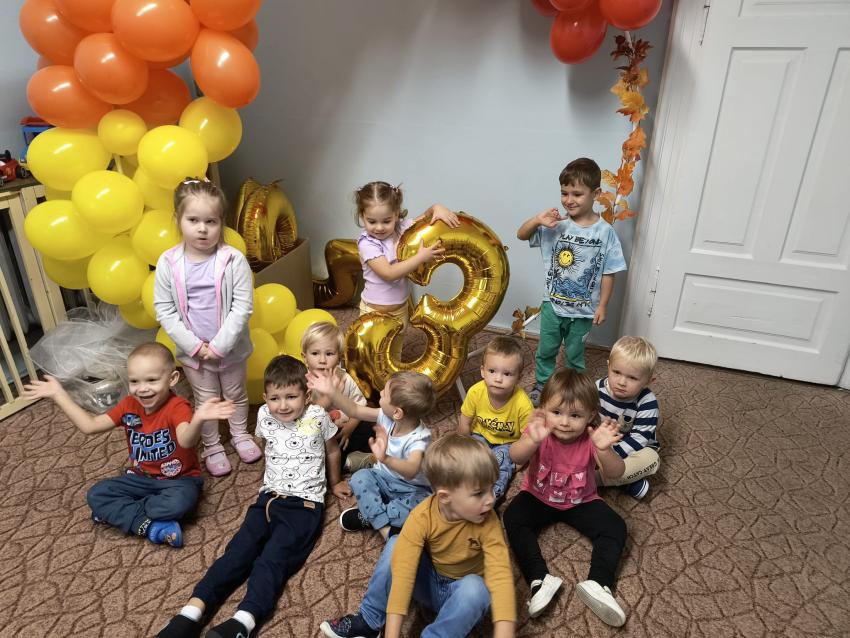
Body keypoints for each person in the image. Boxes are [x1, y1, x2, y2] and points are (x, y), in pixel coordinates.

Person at [155, 355, 350, 638]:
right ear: (265, 398)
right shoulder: (264, 416)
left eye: (291, 397)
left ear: (307, 396)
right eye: (275, 398)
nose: (283, 405)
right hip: (266, 500)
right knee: (236, 553)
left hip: (304, 506)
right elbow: (268, 445)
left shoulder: (318, 416)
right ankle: (190, 614)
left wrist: (336, 482)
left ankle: (243, 622)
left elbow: (332, 450)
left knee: (273, 559)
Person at [22, 342, 234, 548]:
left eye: (152, 380)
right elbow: (90, 426)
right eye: (134, 381)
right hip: (140, 478)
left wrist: (199, 418)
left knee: (178, 503)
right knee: (97, 494)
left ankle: (124, 513)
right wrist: (59, 394)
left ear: (172, 379)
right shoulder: (128, 405)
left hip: (178, 481)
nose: (142, 389)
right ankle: (152, 526)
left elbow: (186, 441)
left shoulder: (178, 406)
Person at [319, 434, 516, 638]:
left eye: (492, 488)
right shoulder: (422, 516)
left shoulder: (488, 521)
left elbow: (501, 576)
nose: (491, 499)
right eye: (479, 493)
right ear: (445, 497)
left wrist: (505, 631)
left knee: (476, 588)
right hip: (428, 584)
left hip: (462, 597)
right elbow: (403, 574)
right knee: (396, 544)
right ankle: (369, 621)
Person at [503, 368, 629, 627]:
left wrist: (604, 450)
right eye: (556, 412)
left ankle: (599, 583)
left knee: (616, 526)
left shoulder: (593, 438)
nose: (564, 422)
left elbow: (616, 473)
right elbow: (515, 457)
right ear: (543, 410)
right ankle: (540, 580)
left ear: (590, 415)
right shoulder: (540, 431)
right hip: (537, 496)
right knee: (512, 516)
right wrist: (532, 441)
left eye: (575, 415)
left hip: (581, 501)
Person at [154, 178, 257, 478]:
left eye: (211, 221)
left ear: (221, 222)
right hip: (194, 353)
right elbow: (165, 310)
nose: (202, 229)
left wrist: (220, 346)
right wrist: (195, 347)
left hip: (231, 348)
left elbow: (242, 306)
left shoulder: (233, 260)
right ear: (178, 219)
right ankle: (212, 445)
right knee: (206, 399)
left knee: (235, 393)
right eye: (193, 220)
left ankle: (240, 434)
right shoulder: (168, 262)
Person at [516, 158, 627, 406]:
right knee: (546, 349)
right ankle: (542, 384)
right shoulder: (555, 225)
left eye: (577, 194)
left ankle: (573, 388)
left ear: (596, 194)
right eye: (564, 193)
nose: (569, 199)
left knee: (575, 354)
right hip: (552, 305)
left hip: (584, 310)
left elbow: (609, 272)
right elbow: (521, 234)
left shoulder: (605, 232)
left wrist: (602, 305)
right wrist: (537, 220)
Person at [307, 368, 434, 540]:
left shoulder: (420, 439)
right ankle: (385, 529)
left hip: (411, 489)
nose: (380, 393)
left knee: (426, 507)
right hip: (383, 478)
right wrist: (331, 391)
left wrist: (385, 459)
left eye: (384, 394)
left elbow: (411, 470)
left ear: (397, 412)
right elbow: (354, 410)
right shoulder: (386, 415)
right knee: (359, 477)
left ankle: (371, 516)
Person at [354, 181, 459, 336]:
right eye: (372, 221)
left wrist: (436, 207)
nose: (379, 227)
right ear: (362, 216)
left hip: (400, 309)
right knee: (373, 350)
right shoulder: (367, 243)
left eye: (386, 221)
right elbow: (388, 273)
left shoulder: (401, 228)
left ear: (396, 214)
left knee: (396, 348)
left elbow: (425, 219)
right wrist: (420, 257)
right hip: (374, 311)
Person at [457, 335, 532, 499]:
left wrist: (517, 463)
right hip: (479, 435)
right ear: (482, 371)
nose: (498, 379)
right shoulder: (475, 392)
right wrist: (463, 447)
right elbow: (465, 421)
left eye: (507, 374)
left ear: (519, 377)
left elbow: (527, 439)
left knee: (500, 463)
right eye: (492, 371)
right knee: (466, 461)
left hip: (508, 443)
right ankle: (460, 490)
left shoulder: (523, 404)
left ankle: (490, 498)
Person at [300, 321, 374, 475]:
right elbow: (304, 418)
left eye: (329, 354)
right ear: (305, 357)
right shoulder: (302, 381)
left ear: (339, 357)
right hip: (317, 433)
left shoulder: (344, 378)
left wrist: (349, 428)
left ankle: (348, 457)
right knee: (306, 450)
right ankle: (347, 462)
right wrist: (330, 395)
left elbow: (360, 406)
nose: (322, 360)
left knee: (369, 427)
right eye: (315, 353)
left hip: (342, 429)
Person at [597, 335, 660, 500]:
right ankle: (627, 481)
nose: (621, 382)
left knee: (652, 459)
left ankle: (593, 480)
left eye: (632, 378)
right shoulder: (597, 388)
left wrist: (610, 457)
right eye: (616, 372)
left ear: (648, 381)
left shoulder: (647, 403)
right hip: (601, 442)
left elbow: (639, 439)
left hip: (635, 448)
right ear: (608, 366)